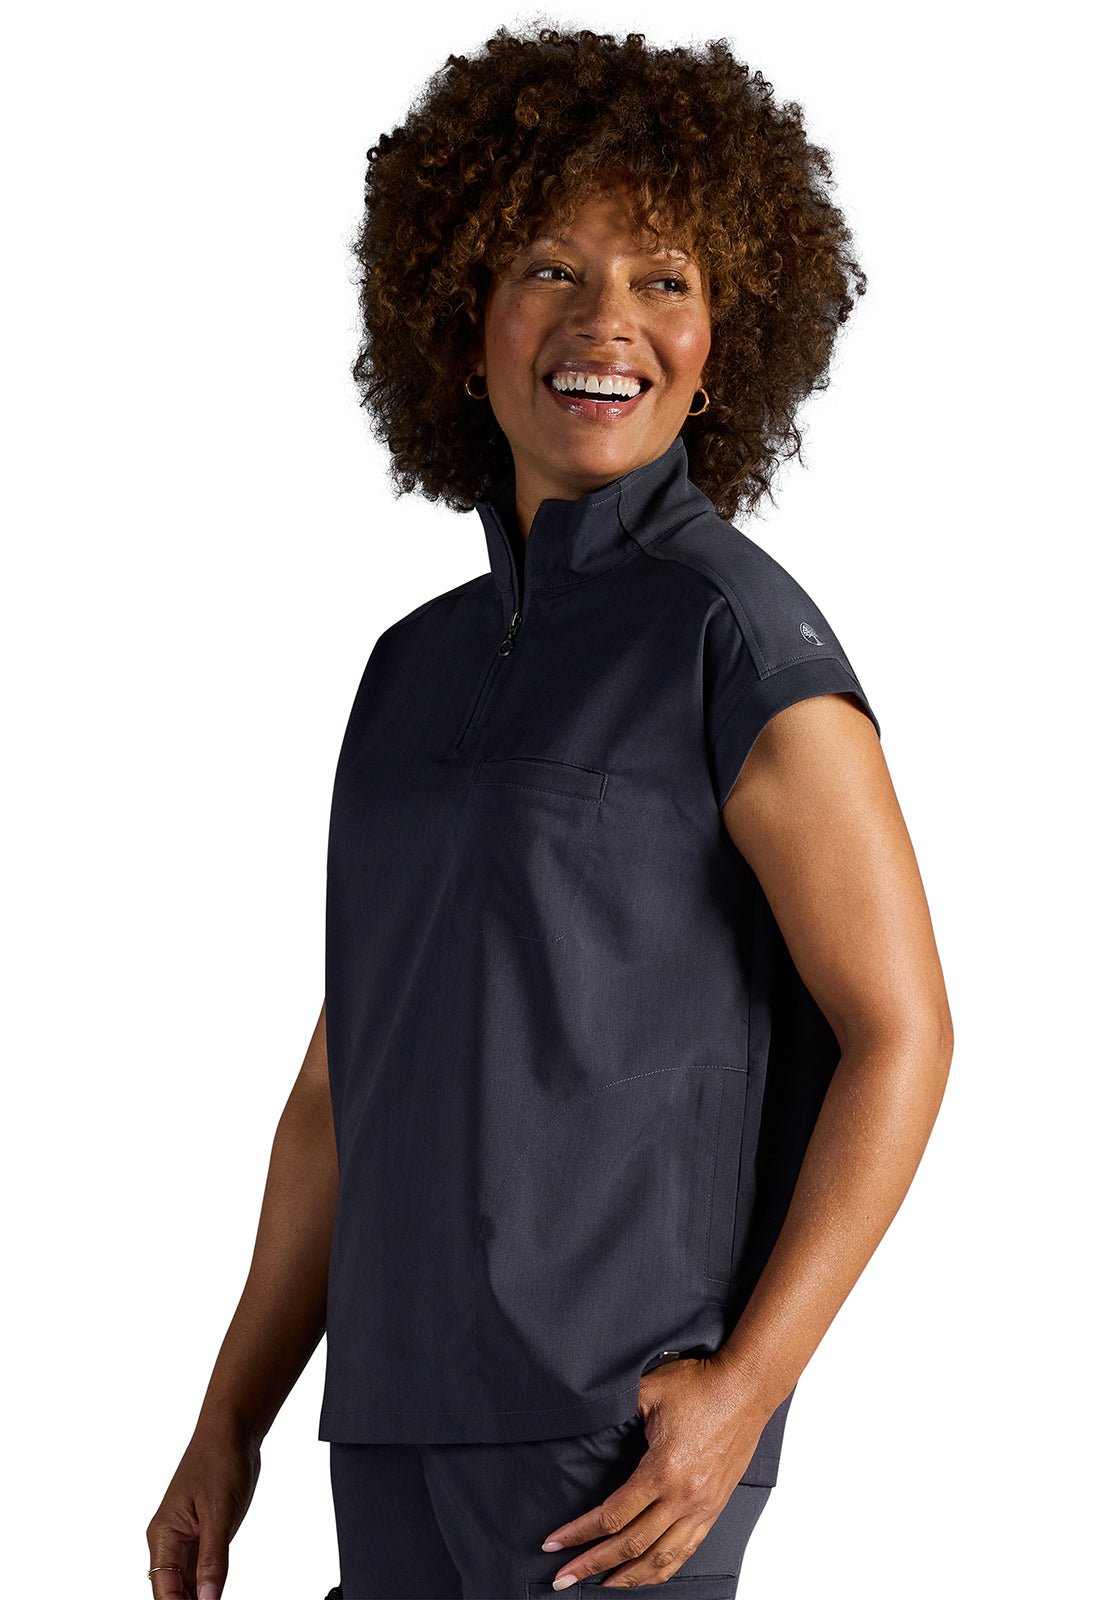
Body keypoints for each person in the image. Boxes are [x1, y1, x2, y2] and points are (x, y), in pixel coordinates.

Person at [146, 24, 953, 1600]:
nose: (607, 322)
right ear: (463, 323)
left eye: (664, 279)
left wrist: (743, 1396)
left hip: (611, 1458)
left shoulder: (737, 637)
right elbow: (341, 1090)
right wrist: (229, 1417)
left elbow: (902, 1031)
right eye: (549, 269)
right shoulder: (410, 671)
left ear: (723, 340)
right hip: (390, 1431)